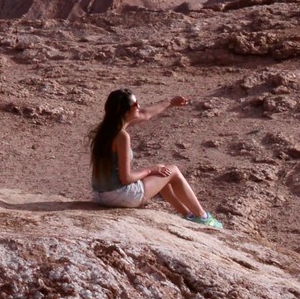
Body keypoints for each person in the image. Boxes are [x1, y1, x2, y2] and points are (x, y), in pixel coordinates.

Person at [90, 88, 221, 228]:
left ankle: (188, 215)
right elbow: (126, 178)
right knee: (173, 171)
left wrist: (171, 102)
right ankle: (203, 217)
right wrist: (150, 170)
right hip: (118, 196)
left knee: (162, 169)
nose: (139, 107)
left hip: (101, 195)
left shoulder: (105, 128)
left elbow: (146, 114)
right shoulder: (121, 136)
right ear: (125, 111)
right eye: (136, 104)